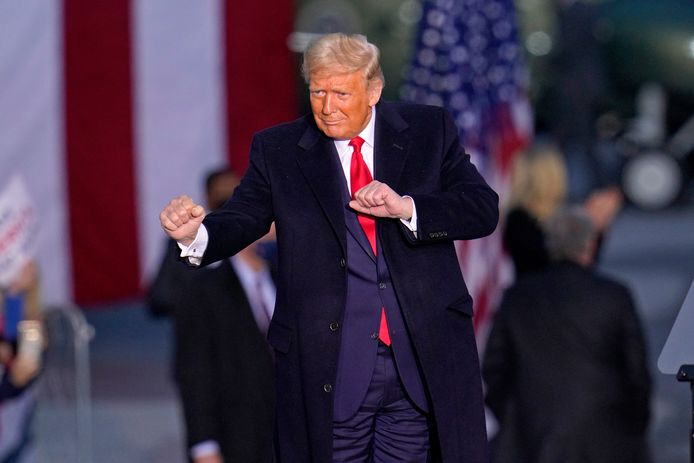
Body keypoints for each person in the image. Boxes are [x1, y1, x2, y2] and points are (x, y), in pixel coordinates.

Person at [159, 33, 498, 462]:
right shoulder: (279, 149)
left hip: (419, 362)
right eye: (317, 91)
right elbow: (244, 216)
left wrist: (407, 207)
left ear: (373, 90)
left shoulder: (429, 130)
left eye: (341, 92)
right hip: (331, 369)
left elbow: (481, 208)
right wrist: (196, 235)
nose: (327, 105)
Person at [483, 206, 651, 463]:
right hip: (607, 436)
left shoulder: (518, 296)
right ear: (590, 245)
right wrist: (634, 424)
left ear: (550, 245)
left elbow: (494, 368)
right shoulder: (614, 295)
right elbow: (636, 373)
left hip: (533, 436)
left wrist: (515, 415)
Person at [147, 168, 276, 463]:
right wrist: (204, 447)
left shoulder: (283, 277)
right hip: (236, 442)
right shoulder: (203, 289)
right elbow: (195, 372)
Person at [503, 143, 623, 279]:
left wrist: (594, 227)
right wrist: (590, 226)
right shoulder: (520, 221)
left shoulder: (556, 215)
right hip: (539, 296)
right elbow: (560, 265)